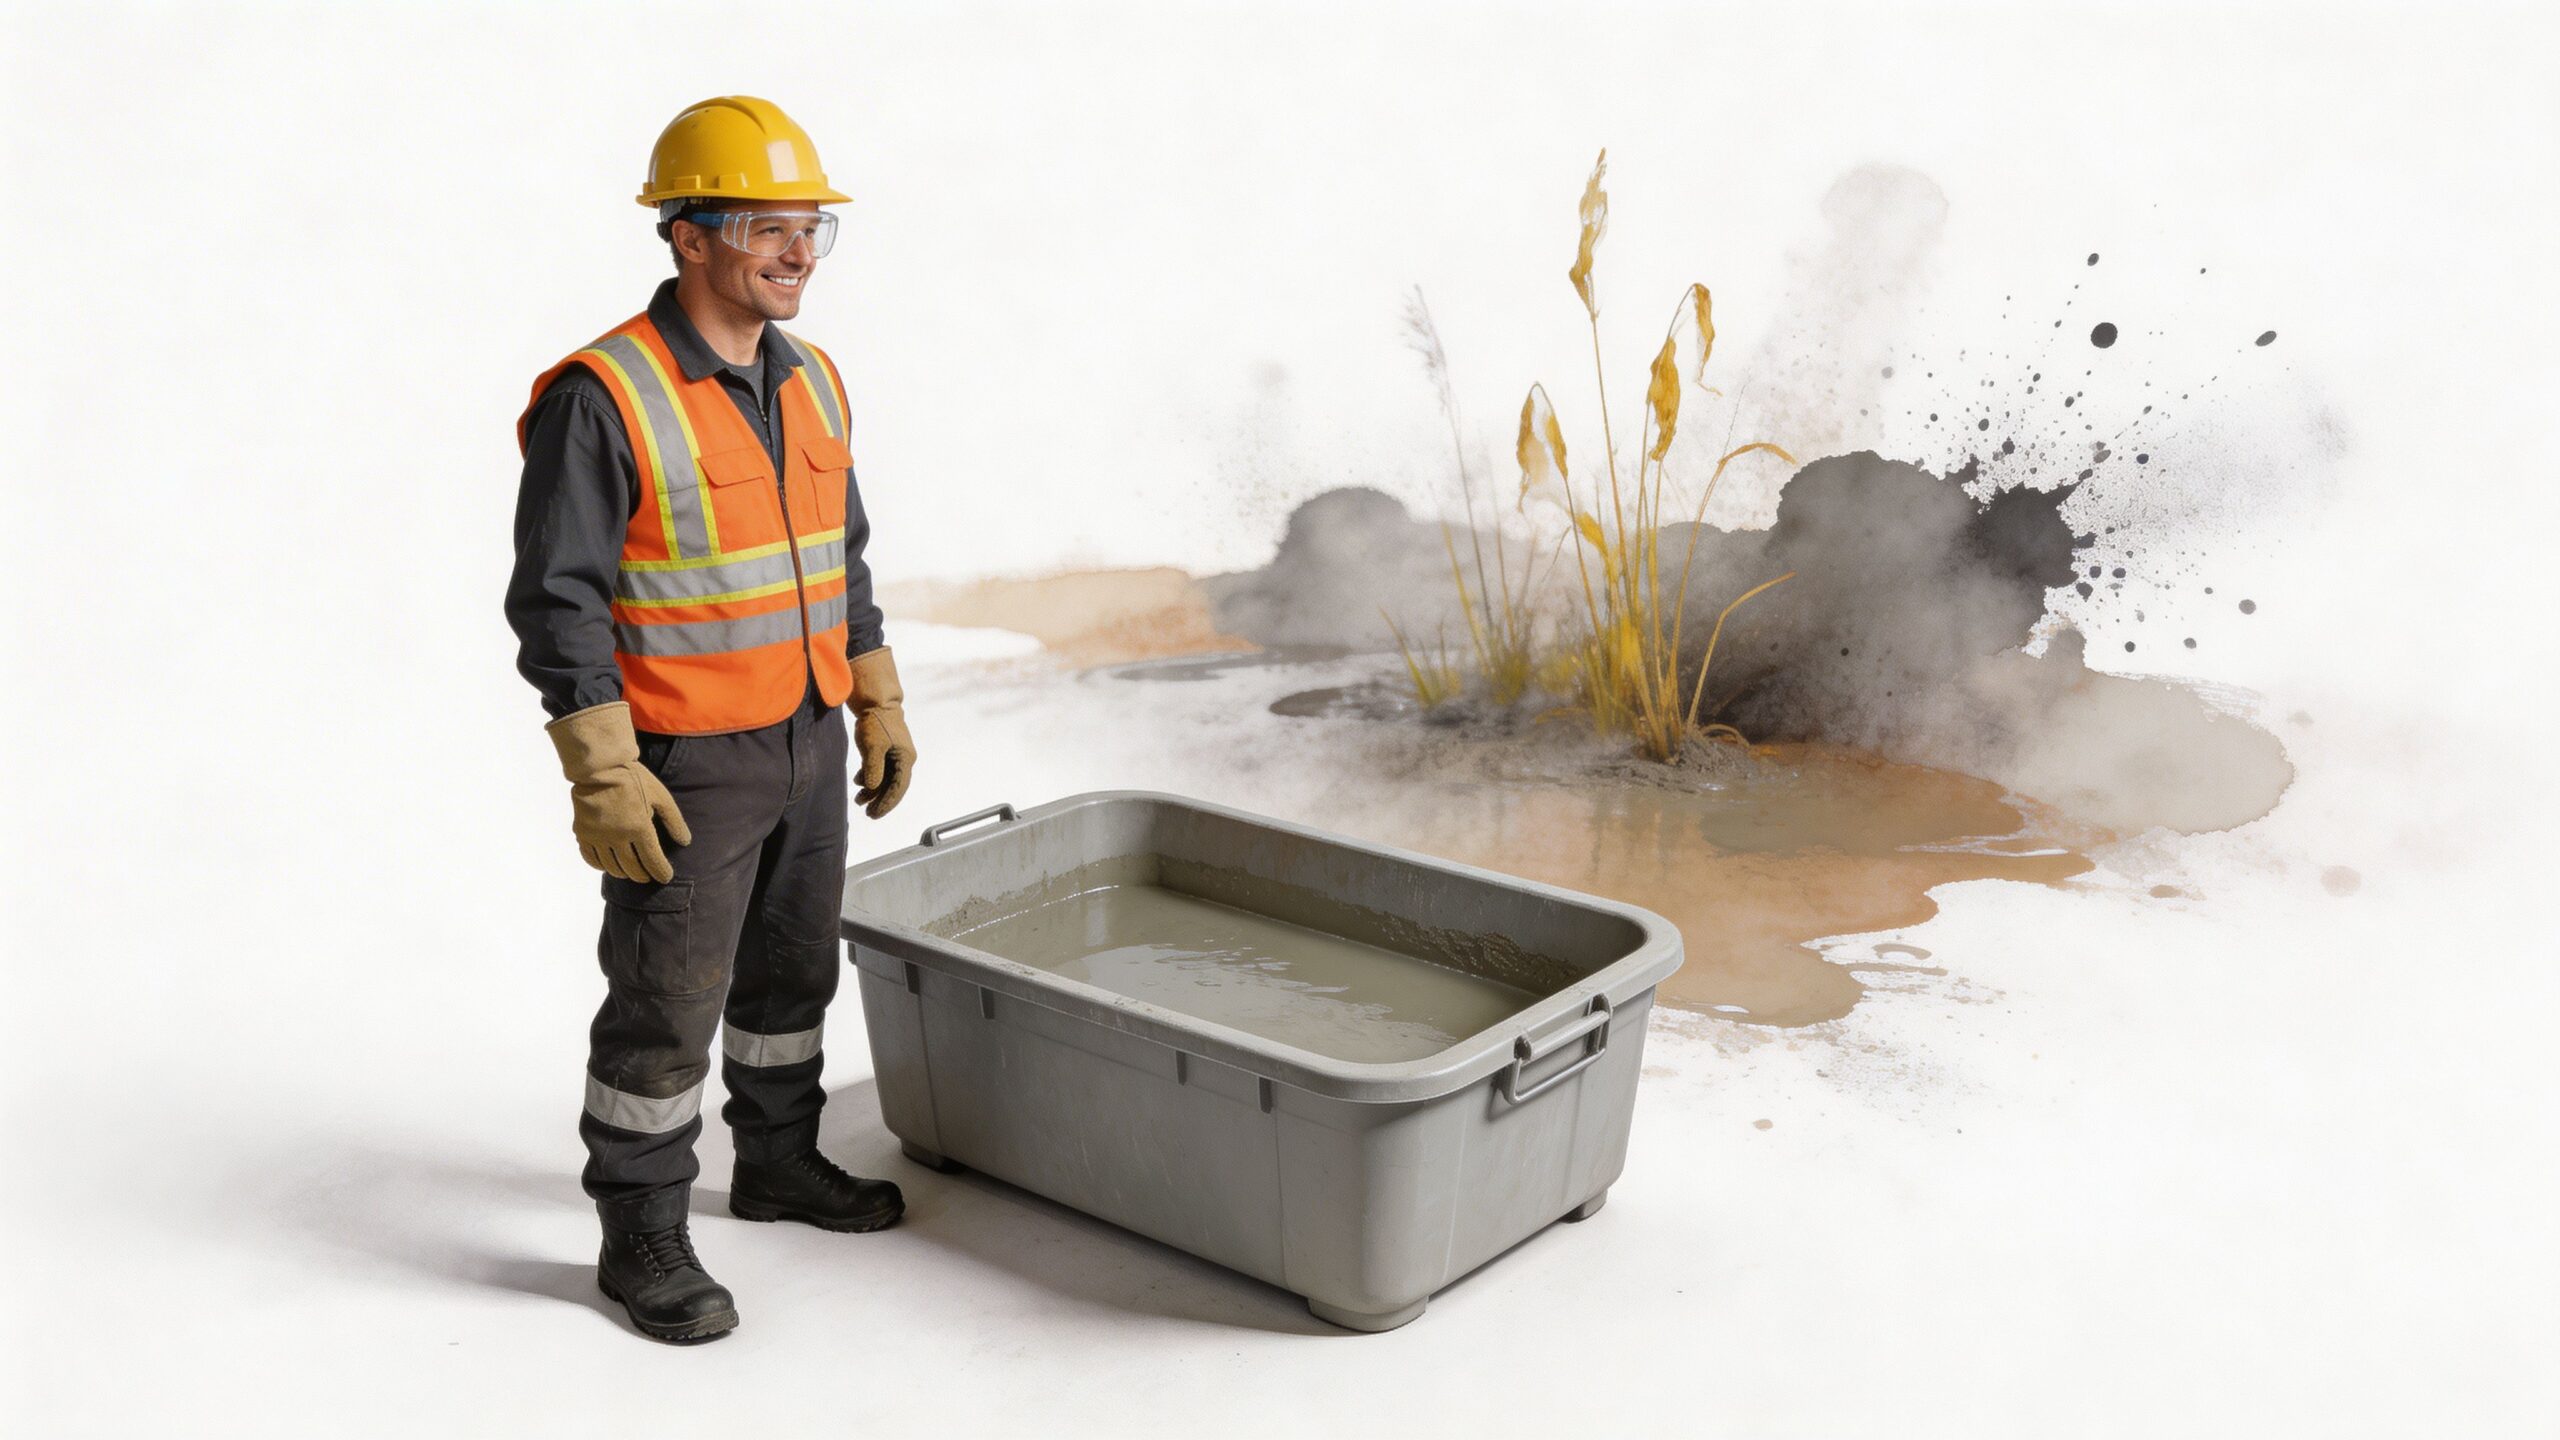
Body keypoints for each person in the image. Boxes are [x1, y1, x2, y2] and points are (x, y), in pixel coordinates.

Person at [503, 95, 917, 1343]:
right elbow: (557, 599)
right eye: (767, 227)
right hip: (685, 760)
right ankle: (640, 1233)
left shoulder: (813, 381)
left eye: (812, 228)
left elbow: (835, 555)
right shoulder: (606, 395)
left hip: (806, 736)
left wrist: (878, 693)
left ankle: (779, 1164)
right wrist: (602, 772)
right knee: (665, 999)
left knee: (792, 976)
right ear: (685, 236)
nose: (797, 253)